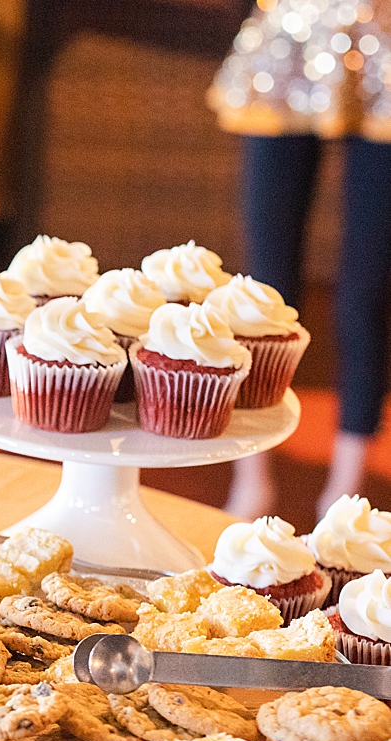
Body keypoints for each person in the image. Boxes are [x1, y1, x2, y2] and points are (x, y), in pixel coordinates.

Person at [210, 1, 391, 519]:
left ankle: (348, 489)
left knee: (366, 291)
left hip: (386, 38)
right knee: (263, 290)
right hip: (286, 41)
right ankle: (250, 476)